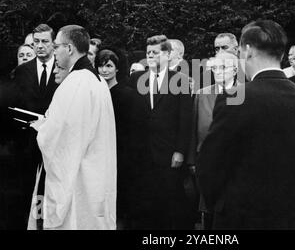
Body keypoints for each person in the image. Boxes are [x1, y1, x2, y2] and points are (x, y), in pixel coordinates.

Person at [196, 20, 295, 229]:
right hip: (290, 217)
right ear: (282, 54)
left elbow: (210, 165)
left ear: (246, 51)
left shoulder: (234, 97)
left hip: (240, 217)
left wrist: (221, 205)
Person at [27, 25, 116, 230]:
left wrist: (42, 128)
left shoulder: (75, 83)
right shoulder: (98, 81)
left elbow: (62, 138)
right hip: (95, 170)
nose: (54, 52)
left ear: (69, 48)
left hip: (79, 176)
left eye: (56, 46)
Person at [128, 34, 193, 229]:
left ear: (167, 54)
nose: (151, 56)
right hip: (142, 152)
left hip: (169, 152)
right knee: (145, 203)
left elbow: (185, 119)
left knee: (169, 202)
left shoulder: (180, 80)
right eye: (148, 53)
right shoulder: (136, 78)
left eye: (155, 53)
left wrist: (180, 151)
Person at [12, 23, 58, 228]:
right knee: (26, 190)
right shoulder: (23, 71)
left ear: (53, 43)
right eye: (36, 42)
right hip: (28, 142)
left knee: (51, 191)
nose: (40, 46)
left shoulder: (63, 69)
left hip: (55, 142)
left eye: (45, 42)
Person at [96, 48, 147, 229]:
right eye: (101, 66)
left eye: (109, 66)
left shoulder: (128, 94)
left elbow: (135, 129)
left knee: (121, 199)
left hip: (122, 154)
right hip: (99, 154)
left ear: (117, 68)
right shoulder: (94, 94)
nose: (105, 70)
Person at [187, 52, 238, 229]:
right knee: (208, 212)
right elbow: (194, 128)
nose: (218, 71)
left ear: (235, 70)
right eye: (215, 68)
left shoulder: (246, 93)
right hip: (206, 163)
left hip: (235, 164)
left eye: (223, 67)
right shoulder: (202, 94)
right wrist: (192, 160)